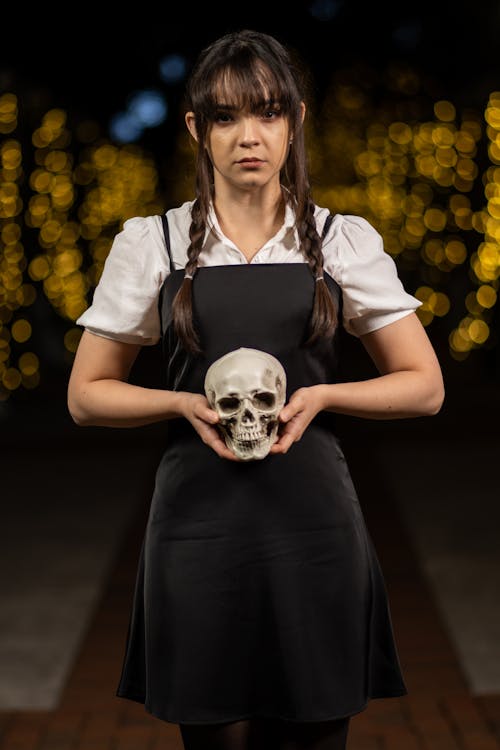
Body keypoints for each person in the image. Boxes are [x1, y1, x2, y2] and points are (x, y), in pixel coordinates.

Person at [67, 28, 444, 750]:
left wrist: (325, 398)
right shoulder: (154, 244)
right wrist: (179, 403)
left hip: (313, 530)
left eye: (269, 112)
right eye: (227, 116)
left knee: (314, 733)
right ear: (196, 129)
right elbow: (87, 396)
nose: (251, 136)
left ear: (296, 120)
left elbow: (424, 387)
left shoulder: (339, 241)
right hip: (195, 531)